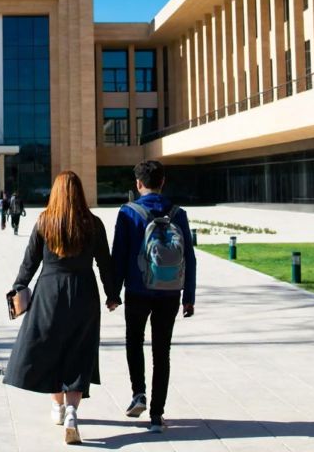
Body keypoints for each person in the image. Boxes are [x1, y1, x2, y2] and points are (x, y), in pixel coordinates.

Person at [4, 171, 120, 445]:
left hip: (49, 293)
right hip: (84, 292)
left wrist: (18, 287)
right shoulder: (93, 223)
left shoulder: (45, 222)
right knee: (80, 352)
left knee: (50, 350)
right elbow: (105, 263)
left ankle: (57, 407)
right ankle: (71, 411)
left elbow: (29, 262)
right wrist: (112, 294)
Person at [111, 160, 197, 433]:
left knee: (134, 341)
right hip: (170, 291)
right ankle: (157, 416)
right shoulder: (178, 213)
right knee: (162, 351)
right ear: (163, 182)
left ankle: (139, 393)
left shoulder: (128, 213)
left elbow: (119, 257)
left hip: (137, 290)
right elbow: (190, 258)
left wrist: (113, 293)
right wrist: (189, 296)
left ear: (138, 184)